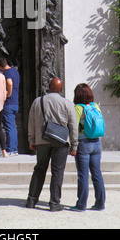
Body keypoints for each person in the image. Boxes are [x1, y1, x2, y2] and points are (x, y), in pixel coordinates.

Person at [26, 77, 78, 211]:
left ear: (48, 87)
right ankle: (54, 203)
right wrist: (74, 144)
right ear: (61, 89)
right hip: (60, 142)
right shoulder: (67, 103)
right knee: (57, 171)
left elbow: (31, 122)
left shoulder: (38, 101)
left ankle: (31, 200)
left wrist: (32, 140)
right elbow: (73, 125)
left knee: (39, 169)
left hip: (42, 140)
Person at [72, 83, 106, 211]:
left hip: (83, 144)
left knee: (83, 175)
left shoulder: (78, 108)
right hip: (97, 143)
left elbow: (74, 128)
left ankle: (81, 204)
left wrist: (73, 146)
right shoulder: (95, 106)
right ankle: (100, 203)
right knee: (97, 173)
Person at [0, 58, 20, 156]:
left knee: (9, 127)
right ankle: (14, 149)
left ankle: (10, 149)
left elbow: (9, 83)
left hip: (9, 103)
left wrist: (8, 94)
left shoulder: (6, 73)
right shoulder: (15, 71)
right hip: (15, 102)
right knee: (12, 127)